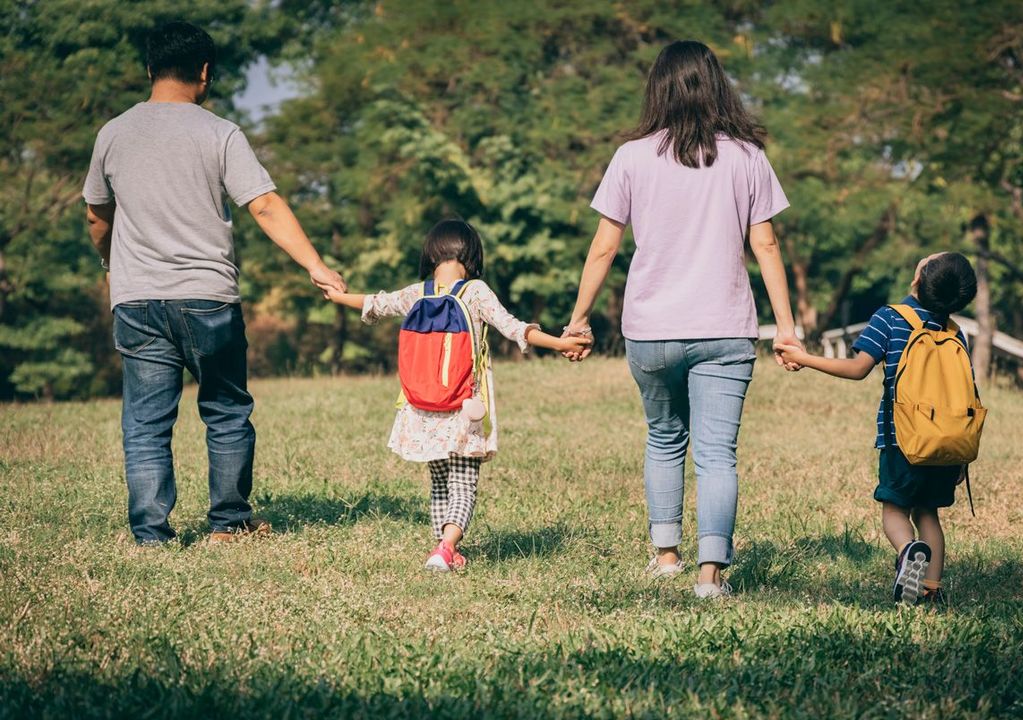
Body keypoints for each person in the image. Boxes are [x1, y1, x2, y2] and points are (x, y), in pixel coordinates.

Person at [83, 21, 345, 546]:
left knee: (146, 423)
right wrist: (315, 265)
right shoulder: (220, 132)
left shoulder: (112, 132)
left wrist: (113, 265)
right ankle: (228, 523)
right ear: (204, 73)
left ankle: (151, 534)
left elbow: (96, 215)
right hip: (208, 299)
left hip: (138, 300)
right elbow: (264, 204)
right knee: (225, 411)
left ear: (149, 69)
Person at [563, 40, 801, 598]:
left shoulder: (632, 156)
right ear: (717, 85)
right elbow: (765, 245)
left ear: (659, 88)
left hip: (651, 330)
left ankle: (666, 554)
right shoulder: (746, 156)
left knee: (663, 439)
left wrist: (578, 319)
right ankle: (710, 575)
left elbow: (603, 249)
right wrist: (786, 327)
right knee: (717, 453)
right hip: (725, 328)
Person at [324, 219, 589, 571]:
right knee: (464, 483)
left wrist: (336, 295)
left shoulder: (419, 292)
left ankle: (442, 548)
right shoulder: (475, 292)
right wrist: (559, 342)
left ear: (431, 254)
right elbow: (514, 328)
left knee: (439, 483)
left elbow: (377, 303)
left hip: (422, 409)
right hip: (465, 410)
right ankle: (447, 547)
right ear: (472, 254)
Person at [776, 252, 979, 606]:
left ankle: (907, 551)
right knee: (928, 512)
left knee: (895, 510)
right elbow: (964, 393)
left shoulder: (890, 318)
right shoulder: (956, 332)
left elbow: (858, 368)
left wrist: (805, 358)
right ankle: (931, 589)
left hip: (903, 438)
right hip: (946, 443)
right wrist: (960, 454)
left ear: (918, 278)